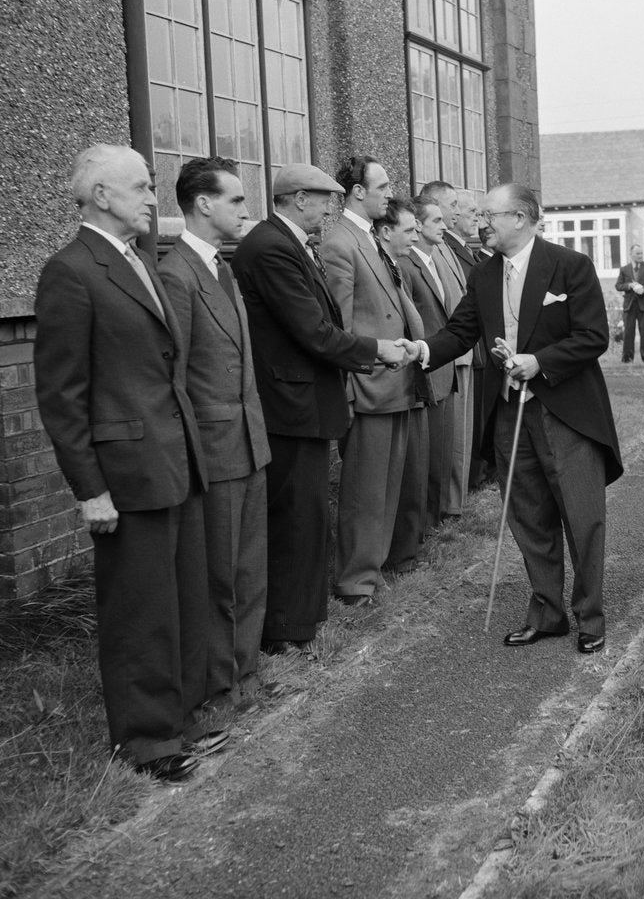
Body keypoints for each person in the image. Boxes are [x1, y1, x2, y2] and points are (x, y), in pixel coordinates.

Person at [34, 144, 215, 782]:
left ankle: (180, 719)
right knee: (139, 609)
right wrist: (90, 489)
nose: (152, 198)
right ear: (101, 196)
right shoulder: (71, 271)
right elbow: (62, 396)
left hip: (173, 459)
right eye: (140, 187)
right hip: (127, 473)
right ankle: (146, 742)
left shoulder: (138, 259)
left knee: (180, 599)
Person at [400, 183, 622, 654]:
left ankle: (590, 617)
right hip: (509, 413)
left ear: (520, 218)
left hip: (567, 413)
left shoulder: (570, 266)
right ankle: (547, 614)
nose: (482, 223)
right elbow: (460, 331)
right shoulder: (484, 273)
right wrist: (421, 350)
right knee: (528, 517)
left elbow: (592, 336)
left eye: (490, 215)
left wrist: (538, 361)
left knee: (582, 518)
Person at [231, 164, 394, 654]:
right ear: (299, 198)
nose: (329, 209)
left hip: (302, 402)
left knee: (306, 515)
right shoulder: (271, 247)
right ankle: (284, 627)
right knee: (294, 518)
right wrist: (377, 350)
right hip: (289, 405)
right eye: (324, 199)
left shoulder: (288, 242)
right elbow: (312, 330)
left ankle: (299, 621)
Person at [158, 157, 271, 713]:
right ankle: (218, 684)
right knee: (219, 575)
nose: (246, 209)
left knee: (249, 569)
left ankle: (244, 671)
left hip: (249, 440)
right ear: (203, 204)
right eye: (236, 199)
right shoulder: (176, 275)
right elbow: (173, 377)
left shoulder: (221, 268)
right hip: (215, 448)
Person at [321, 157, 428, 604]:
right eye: (381, 186)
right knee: (365, 493)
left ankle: (373, 569)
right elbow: (341, 328)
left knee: (386, 489)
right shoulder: (340, 243)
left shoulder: (367, 237)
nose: (389, 192)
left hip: (393, 383)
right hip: (368, 387)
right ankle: (355, 581)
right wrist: (348, 392)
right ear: (358, 192)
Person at [423, 180, 491, 489]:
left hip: (466, 347)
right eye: (456, 206)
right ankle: (461, 489)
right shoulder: (442, 246)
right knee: (454, 433)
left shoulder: (458, 248)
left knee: (465, 429)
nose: (477, 217)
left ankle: (466, 486)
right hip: (449, 349)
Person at [398, 199, 459, 530]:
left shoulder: (436, 261)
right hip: (424, 369)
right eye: (437, 220)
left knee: (441, 453)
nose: (444, 226)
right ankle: (423, 523)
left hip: (443, 366)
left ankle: (436, 518)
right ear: (418, 226)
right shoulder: (407, 265)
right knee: (426, 454)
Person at [614, 244, 644, 363]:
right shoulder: (624, 269)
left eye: (641, 253)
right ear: (631, 254)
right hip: (629, 306)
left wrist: (643, 288)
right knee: (628, 332)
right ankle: (627, 359)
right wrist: (629, 285)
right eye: (637, 253)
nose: (640, 255)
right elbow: (618, 286)